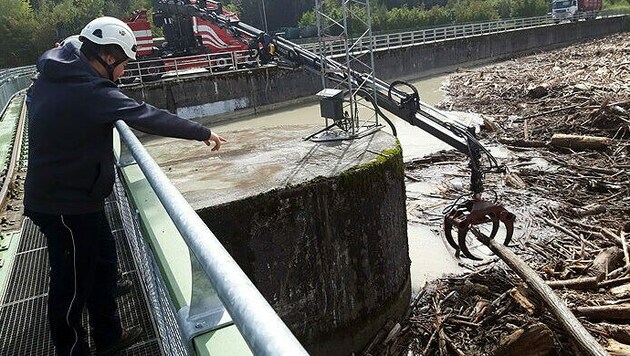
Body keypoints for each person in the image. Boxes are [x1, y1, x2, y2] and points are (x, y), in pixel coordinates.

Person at [24, 16, 226, 356]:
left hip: (79, 197)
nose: (125, 72)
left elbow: (72, 44)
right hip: (64, 206)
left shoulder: (61, 71)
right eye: (124, 64)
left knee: (103, 263)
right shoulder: (91, 92)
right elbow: (146, 115)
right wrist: (202, 132)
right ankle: (71, 349)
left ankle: (109, 335)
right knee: (69, 286)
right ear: (108, 56)